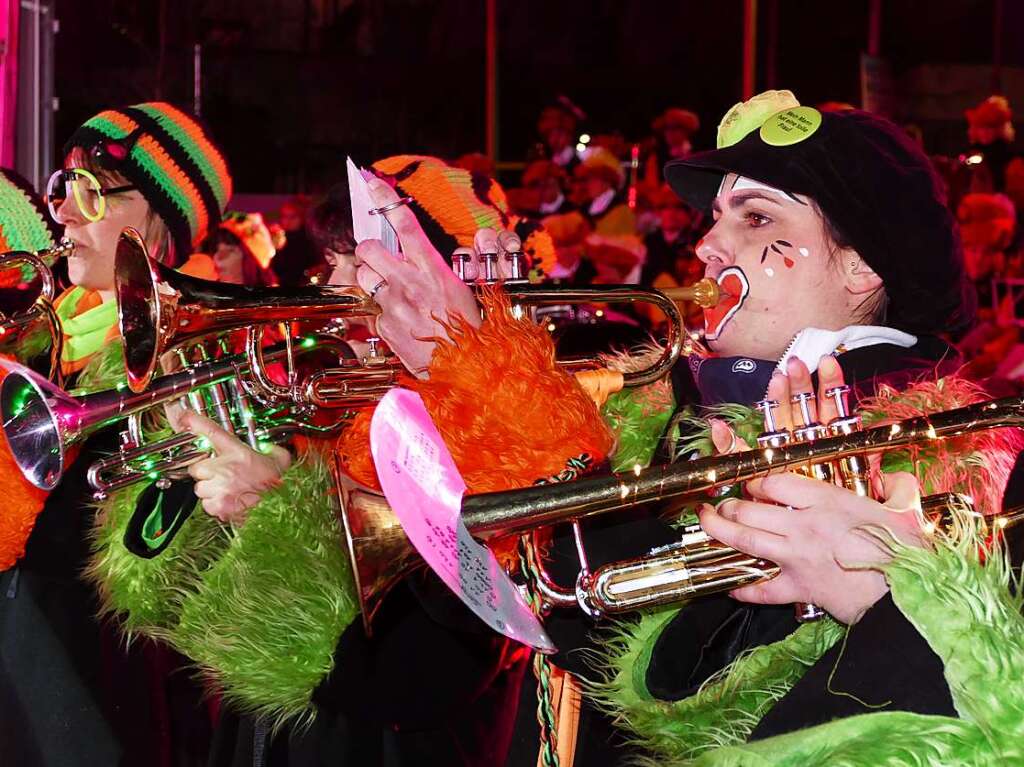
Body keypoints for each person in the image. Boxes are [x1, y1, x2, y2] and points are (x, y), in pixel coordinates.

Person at [0, 101, 232, 766]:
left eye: (94, 191)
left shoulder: (193, 360)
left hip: (98, 706)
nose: (65, 212)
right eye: (64, 187)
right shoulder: (44, 331)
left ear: (159, 224)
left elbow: (132, 566)